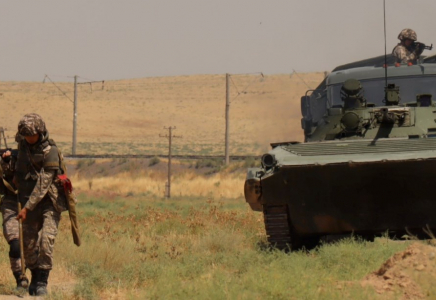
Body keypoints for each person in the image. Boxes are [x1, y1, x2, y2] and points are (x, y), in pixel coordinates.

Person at [15, 113, 67, 296]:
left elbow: (44, 184)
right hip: (28, 201)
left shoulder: (50, 151)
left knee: (46, 241)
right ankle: (35, 276)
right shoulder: (23, 146)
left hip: (49, 203)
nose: (29, 139)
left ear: (41, 132)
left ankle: (42, 281)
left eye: (32, 135)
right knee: (28, 244)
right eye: (25, 136)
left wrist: (27, 208)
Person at [0, 133, 28, 289]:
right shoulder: (11, 158)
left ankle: (37, 279)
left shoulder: (40, 156)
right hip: (12, 203)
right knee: (15, 244)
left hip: (33, 204)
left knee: (32, 247)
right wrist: (5, 161)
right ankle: (20, 277)